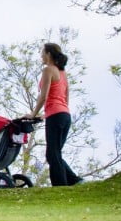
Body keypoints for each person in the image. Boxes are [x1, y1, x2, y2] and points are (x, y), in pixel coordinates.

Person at [27, 43, 82, 186]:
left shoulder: (48, 70)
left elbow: (43, 96)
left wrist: (33, 114)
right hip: (64, 114)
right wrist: (48, 113)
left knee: (53, 154)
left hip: (56, 115)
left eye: (42, 52)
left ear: (49, 54)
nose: (41, 55)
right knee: (54, 153)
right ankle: (75, 181)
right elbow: (65, 95)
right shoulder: (62, 73)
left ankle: (61, 186)